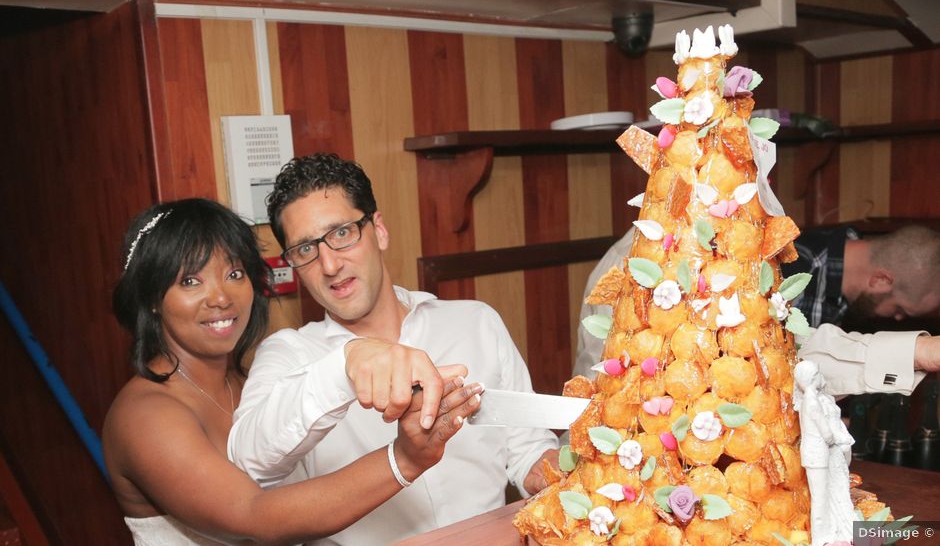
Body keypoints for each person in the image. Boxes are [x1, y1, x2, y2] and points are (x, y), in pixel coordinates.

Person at [104, 198, 482, 545]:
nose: (221, 297)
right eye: (190, 281)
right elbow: (254, 515)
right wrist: (404, 458)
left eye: (234, 274)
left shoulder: (251, 381)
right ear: (152, 298)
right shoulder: (145, 414)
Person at [228, 153, 560, 545]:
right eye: (305, 250)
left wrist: (548, 471)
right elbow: (249, 463)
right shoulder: (289, 353)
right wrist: (343, 367)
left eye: (341, 233)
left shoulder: (475, 321)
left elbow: (526, 447)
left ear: (379, 230)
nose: (330, 264)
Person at [575, 224, 940, 396]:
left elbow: (792, 357)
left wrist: (916, 352)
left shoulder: (751, 250)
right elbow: (787, 366)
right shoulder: (652, 256)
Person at [794, 360, 855, 545]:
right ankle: (822, 538)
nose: (822, 378)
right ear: (812, 379)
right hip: (817, 455)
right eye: (818, 375)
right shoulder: (812, 401)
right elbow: (827, 434)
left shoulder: (816, 398)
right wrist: (840, 439)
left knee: (829, 492)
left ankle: (835, 530)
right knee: (820, 498)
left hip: (821, 454)